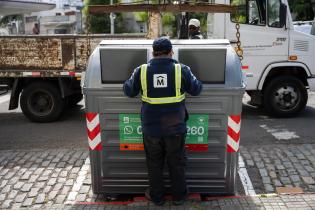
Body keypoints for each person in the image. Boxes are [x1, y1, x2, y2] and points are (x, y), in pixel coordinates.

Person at [123, 38, 202, 206]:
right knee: (177, 162)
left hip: (151, 129)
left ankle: (157, 197)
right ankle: (179, 197)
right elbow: (196, 89)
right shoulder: (182, 70)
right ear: (171, 52)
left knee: (154, 163)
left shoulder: (141, 71)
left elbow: (129, 90)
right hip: (175, 128)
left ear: (153, 53)